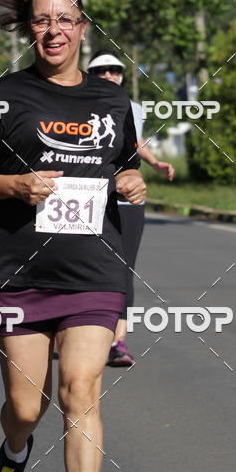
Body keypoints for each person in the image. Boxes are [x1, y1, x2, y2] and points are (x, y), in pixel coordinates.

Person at [0, 0, 145, 472]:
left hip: (93, 268)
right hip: (18, 271)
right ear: (28, 29)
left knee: (80, 388)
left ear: (82, 28)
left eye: (64, 19)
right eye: (42, 20)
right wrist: (13, 184)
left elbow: (124, 166)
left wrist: (130, 181)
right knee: (26, 406)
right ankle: (14, 451)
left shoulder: (112, 100)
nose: (53, 30)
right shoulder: (5, 94)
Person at [86, 51, 174, 367]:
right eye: (102, 70)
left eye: (116, 70)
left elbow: (136, 142)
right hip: (88, 197)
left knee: (124, 270)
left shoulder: (133, 108)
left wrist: (156, 163)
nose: (110, 75)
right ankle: (81, 334)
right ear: (90, 74)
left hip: (126, 199)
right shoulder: (77, 105)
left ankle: (117, 343)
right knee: (86, 268)